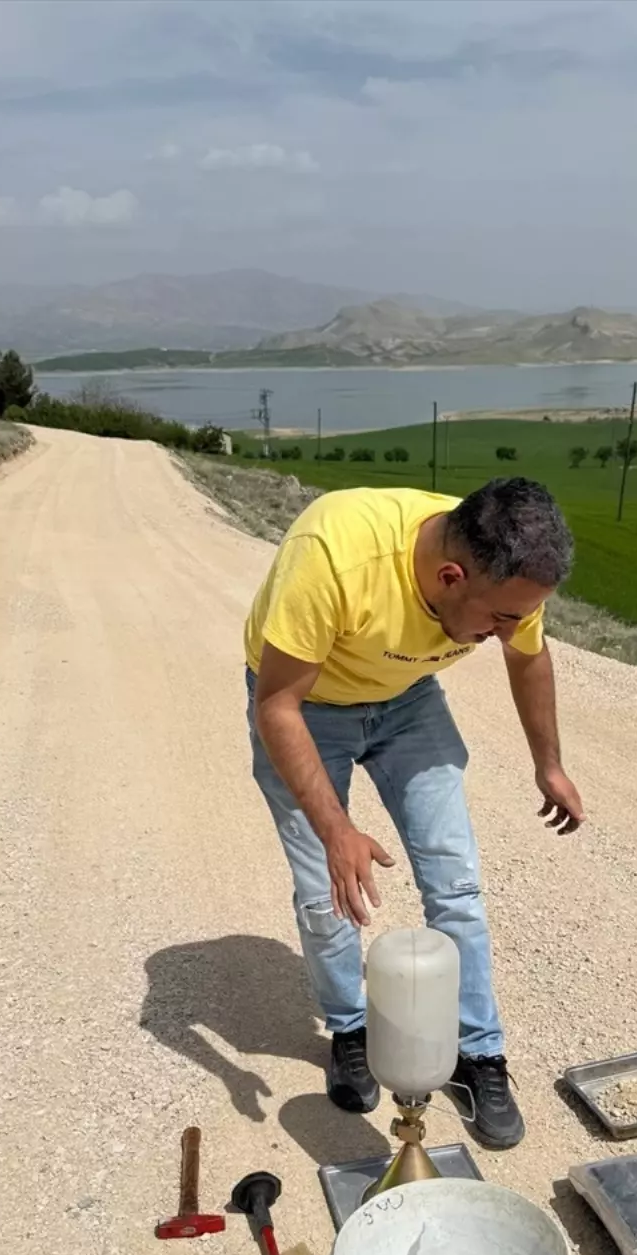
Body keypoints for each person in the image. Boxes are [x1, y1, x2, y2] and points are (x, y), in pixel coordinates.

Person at [244, 476, 584, 1149]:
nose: (507, 632)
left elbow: (529, 658)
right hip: (306, 705)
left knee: (455, 887)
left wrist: (549, 763)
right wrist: (337, 829)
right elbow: (277, 706)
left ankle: (477, 1055)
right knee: (325, 893)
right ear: (451, 577)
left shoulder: (511, 577)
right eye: (497, 620)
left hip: (406, 703)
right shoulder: (337, 554)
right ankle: (350, 1030)